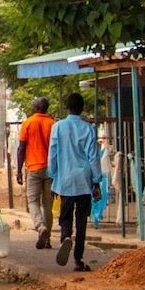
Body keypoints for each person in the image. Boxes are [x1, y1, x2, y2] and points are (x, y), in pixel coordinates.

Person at [47, 92, 104, 272]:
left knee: (65, 215)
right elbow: (93, 157)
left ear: (68, 107)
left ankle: (65, 237)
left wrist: (53, 176)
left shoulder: (58, 127)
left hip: (64, 180)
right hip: (84, 181)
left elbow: (53, 154)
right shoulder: (88, 129)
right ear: (81, 108)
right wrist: (96, 182)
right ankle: (78, 259)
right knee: (81, 220)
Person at [17, 96, 57, 249]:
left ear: (36, 108)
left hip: (33, 168)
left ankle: (40, 227)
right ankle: (47, 240)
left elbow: (21, 148)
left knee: (33, 201)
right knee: (48, 204)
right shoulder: (52, 124)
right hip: (50, 169)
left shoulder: (28, 123)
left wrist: (19, 170)